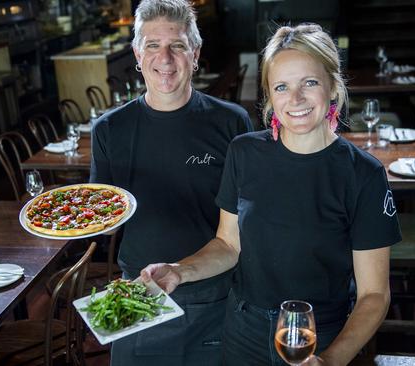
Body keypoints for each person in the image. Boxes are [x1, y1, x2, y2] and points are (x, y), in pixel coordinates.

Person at [141, 23, 401, 366]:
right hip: (243, 327)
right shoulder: (244, 152)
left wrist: (331, 360)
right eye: (281, 87)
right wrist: (179, 271)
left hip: (319, 334)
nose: (295, 99)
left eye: (309, 83)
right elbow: (229, 244)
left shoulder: (363, 175)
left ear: (333, 87)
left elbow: (374, 295)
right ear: (269, 96)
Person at [89, 0, 253, 364]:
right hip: (140, 291)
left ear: (194, 54)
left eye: (177, 45)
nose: (165, 58)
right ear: (136, 53)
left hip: (216, 293)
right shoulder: (108, 130)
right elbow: (100, 217)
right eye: (152, 45)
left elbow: (245, 225)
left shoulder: (232, 123)